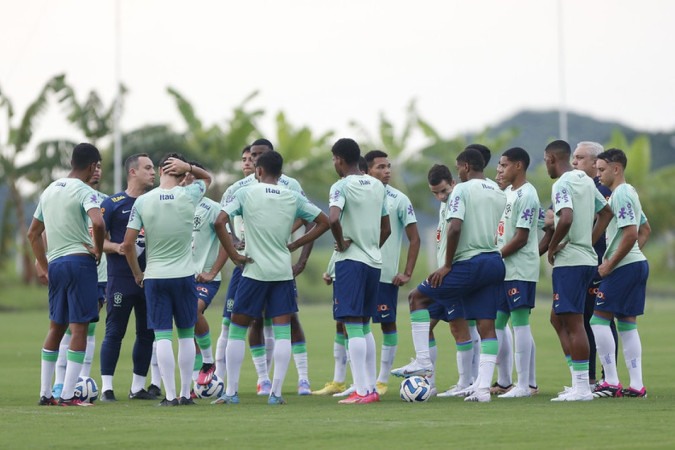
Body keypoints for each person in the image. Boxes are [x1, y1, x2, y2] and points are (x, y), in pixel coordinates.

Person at [212, 150, 329, 405]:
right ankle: (276, 394)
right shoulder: (293, 195)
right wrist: (296, 243)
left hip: (253, 270)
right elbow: (324, 221)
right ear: (280, 172)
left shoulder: (245, 193)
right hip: (282, 273)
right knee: (282, 332)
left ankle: (231, 393)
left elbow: (220, 221)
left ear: (259, 171)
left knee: (237, 330)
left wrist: (234, 254)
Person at [392, 148, 506, 403]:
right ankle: (482, 389)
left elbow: (455, 227)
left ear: (465, 166)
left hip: (469, 262)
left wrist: (446, 265)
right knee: (486, 327)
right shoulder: (497, 191)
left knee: (416, 299)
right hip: (494, 261)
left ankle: (423, 360)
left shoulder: (462, 190)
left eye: (458, 167)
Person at [123, 153, 212, 406]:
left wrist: (137, 274)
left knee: (162, 336)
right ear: (183, 173)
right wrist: (192, 167)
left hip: (155, 276)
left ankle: (170, 395)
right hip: (184, 275)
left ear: (161, 169)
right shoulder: (189, 195)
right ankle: (185, 394)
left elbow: (128, 244)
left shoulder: (143, 201)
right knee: (185, 335)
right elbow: (208, 179)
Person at [28, 142, 105, 406]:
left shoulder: (49, 190)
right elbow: (97, 222)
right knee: (79, 326)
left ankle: (45, 393)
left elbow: (33, 233)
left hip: (57, 264)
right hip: (79, 263)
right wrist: (97, 249)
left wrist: (45, 265)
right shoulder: (85, 190)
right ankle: (69, 395)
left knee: (56, 327)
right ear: (93, 165)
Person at [544, 139, 613, 402]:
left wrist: (552, 247)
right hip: (585, 259)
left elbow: (567, 217)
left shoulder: (562, 183)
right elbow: (606, 213)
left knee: (574, 321)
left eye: (545, 161)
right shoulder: (585, 180)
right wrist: (588, 239)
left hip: (571, 261)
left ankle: (583, 388)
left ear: (551, 158)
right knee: (559, 317)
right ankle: (579, 382)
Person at [329, 138, 391, 404]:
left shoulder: (341, 186)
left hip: (351, 261)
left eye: (333, 159)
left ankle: (362, 390)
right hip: (374, 261)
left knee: (352, 324)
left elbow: (332, 218)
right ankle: (370, 389)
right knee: (364, 325)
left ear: (340, 159)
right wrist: (371, 245)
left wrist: (342, 243)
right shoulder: (378, 186)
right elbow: (386, 228)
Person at [359, 150, 420, 395]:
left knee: (387, 325)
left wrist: (406, 272)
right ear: (367, 170)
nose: (387, 172)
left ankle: (382, 380)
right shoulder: (358, 195)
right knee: (355, 324)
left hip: (385, 275)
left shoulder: (399, 199)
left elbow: (414, 239)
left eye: (388, 167)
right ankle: (361, 381)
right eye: (380, 167)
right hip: (358, 271)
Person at [591, 148, 650, 398]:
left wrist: (610, 263)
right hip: (635, 264)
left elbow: (631, 234)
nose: (598, 175)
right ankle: (637, 386)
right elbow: (645, 228)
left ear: (617, 169)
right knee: (626, 323)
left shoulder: (622, 193)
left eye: (601, 170)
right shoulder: (629, 192)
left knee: (598, 319)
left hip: (623, 267)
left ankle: (611, 382)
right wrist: (632, 254)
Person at [99, 153, 158, 401]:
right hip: (121, 278)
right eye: (148, 168)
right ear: (132, 172)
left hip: (151, 277)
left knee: (147, 333)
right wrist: (116, 247)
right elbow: (96, 240)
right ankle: (106, 388)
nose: (153, 172)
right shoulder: (113, 203)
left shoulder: (155, 202)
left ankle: (137, 387)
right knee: (115, 331)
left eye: (153, 168)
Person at [52, 162, 108, 398]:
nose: (97, 171)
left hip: (99, 272)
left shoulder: (104, 201)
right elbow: (46, 228)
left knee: (87, 326)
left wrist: (101, 249)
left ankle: (82, 379)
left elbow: (111, 233)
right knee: (68, 325)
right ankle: (60, 383)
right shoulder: (66, 195)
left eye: (100, 168)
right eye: (94, 166)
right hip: (76, 265)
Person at [494, 147, 541, 398]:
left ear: (519, 166)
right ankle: (516, 382)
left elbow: (522, 238)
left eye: (504, 165)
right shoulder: (510, 193)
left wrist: (495, 256)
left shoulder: (528, 195)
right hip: (505, 269)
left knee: (520, 324)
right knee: (499, 323)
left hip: (519, 269)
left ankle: (523, 385)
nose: (499, 170)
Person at [571, 141, 617, 386]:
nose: (574, 162)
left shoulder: (605, 191)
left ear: (595, 161)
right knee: (584, 318)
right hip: (582, 264)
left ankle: (607, 377)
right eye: (573, 157)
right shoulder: (578, 186)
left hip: (600, 263)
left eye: (579, 158)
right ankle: (588, 378)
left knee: (601, 319)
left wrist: (589, 243)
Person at [214, 146, 254, 382]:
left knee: (273, 324)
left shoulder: (284, 186)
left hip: (270, 264)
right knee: (228, 320)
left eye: (252, 158)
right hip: (243, 264)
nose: (247, 162)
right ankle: (219, 377)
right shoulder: (235, 190)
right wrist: (233, 239)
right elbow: (223, 220)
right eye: (244, 159)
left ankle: (266, 380)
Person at [188, 162, 229, 387]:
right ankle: (193, 383)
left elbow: (227, 241)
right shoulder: (175, 205)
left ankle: (208, 361)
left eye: (191, 178)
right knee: (186, 328)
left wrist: (213, 271)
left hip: (204, 278)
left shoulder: (212, 208)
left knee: (194, 311)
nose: (186, 181)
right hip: (179, 276)